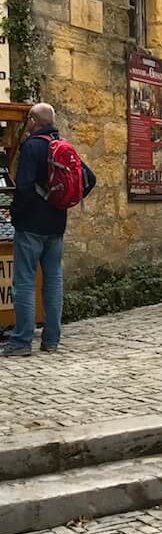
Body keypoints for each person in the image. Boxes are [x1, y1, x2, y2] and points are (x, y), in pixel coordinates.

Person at [1, 104, 88, 357]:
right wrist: (61, 202)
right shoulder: (61, 144)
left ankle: (21, 341)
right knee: (53, 280)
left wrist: (15, 215)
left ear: (33, 121)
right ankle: (51, 339)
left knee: (25, 282)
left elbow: (24, 187)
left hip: (31, 226)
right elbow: (87, 178)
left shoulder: (32, 145)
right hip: (56, 224)